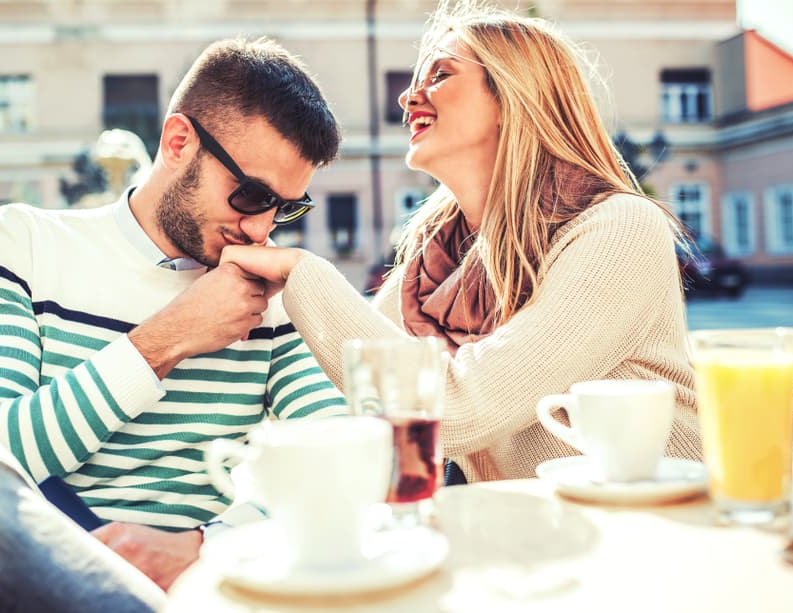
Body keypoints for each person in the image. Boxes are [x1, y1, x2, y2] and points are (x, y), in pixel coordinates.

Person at [0, 37, 345, 612]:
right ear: (179, 142)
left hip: (199, 592)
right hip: (25, 574)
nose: (261, 229)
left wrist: (206, 548)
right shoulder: (26, 242)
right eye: (251, 195)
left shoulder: (273, 296)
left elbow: (341, 472)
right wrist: (166, 339)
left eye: (286, 208)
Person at [221, 0, 703, 484]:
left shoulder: (618, 230)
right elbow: (354, 389)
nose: (408, 98)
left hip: (657, 524)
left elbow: (458, 409)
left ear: (514, 98)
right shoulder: (438, 257)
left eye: (440, 75)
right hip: (528, 532)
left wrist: (302, 272)